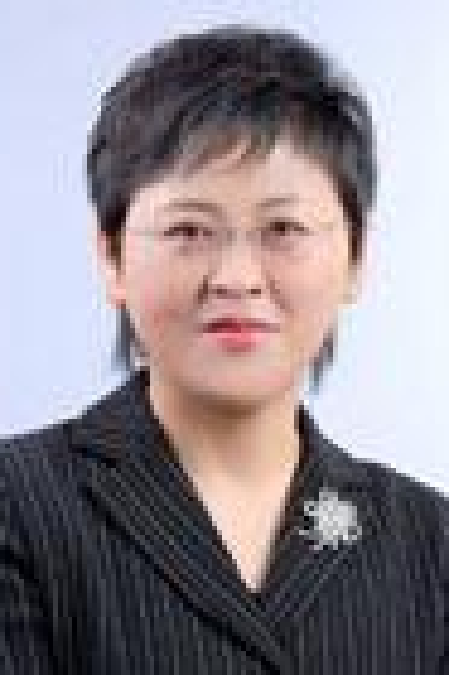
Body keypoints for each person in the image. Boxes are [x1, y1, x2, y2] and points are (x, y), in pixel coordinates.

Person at [1, 24, 447, 675]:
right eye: (189, 230)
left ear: (355, 257)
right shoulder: (19, 506)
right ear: (112, 256)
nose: (236, 278)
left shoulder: (429, 541)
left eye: (283, 228)